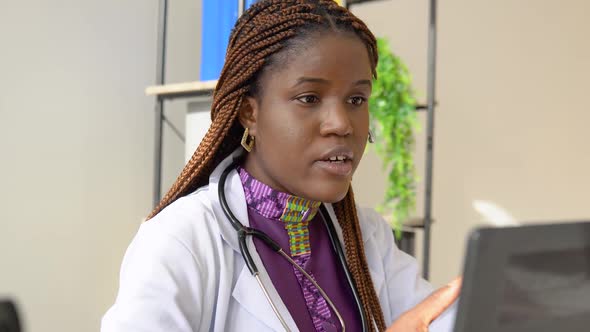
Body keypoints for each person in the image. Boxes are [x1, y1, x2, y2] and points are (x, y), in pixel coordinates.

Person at [101, 1, 460, 331]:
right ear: (249, 112)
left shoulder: (366, 237)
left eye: (356, 99)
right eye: (309, 98)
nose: (341, 123)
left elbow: (435, 318)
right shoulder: (183, 239)